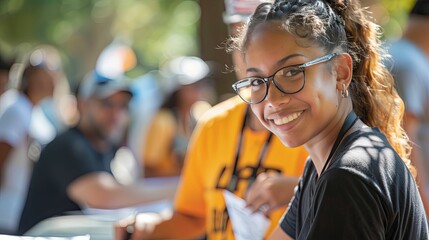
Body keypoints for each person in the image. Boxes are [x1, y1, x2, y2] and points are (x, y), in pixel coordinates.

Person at [227, 0, 429, 239]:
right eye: (257, 81)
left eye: (292, 72)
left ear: (341, 72)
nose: (272, 99)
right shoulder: (321, 166)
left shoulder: (347, 177)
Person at [114, 0, 308, 239]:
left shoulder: (310, 123)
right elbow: (193, 216)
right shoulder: (213, 123)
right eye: (240, 37)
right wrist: (146, 228)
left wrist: (299, 190)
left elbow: (350, 198)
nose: (250, 52)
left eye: (266, 36)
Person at [17, 71, 176, 235]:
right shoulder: (68, 146)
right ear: (82, 104)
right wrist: (182, 188)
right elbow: (105, 197)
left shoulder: (107, 149)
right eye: (107, 103)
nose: (116, 114)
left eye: (123, 106)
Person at [0, 50, 57, 235]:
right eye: (40, 76)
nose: (47, 82)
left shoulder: (36, 112)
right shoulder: (16, 109)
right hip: (7, 211)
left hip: (26, 212)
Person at [387, 0, 429, 216]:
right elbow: (404, 133)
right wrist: (423, 203)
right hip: (413, 204)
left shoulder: (399, 53)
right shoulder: (408, 62)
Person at [142, 56, 216, 177]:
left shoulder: (200, 113)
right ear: (177, 90)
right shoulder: (163, 121)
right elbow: (148, 170)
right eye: (195, 85)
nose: (202, 89)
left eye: (204, 83)